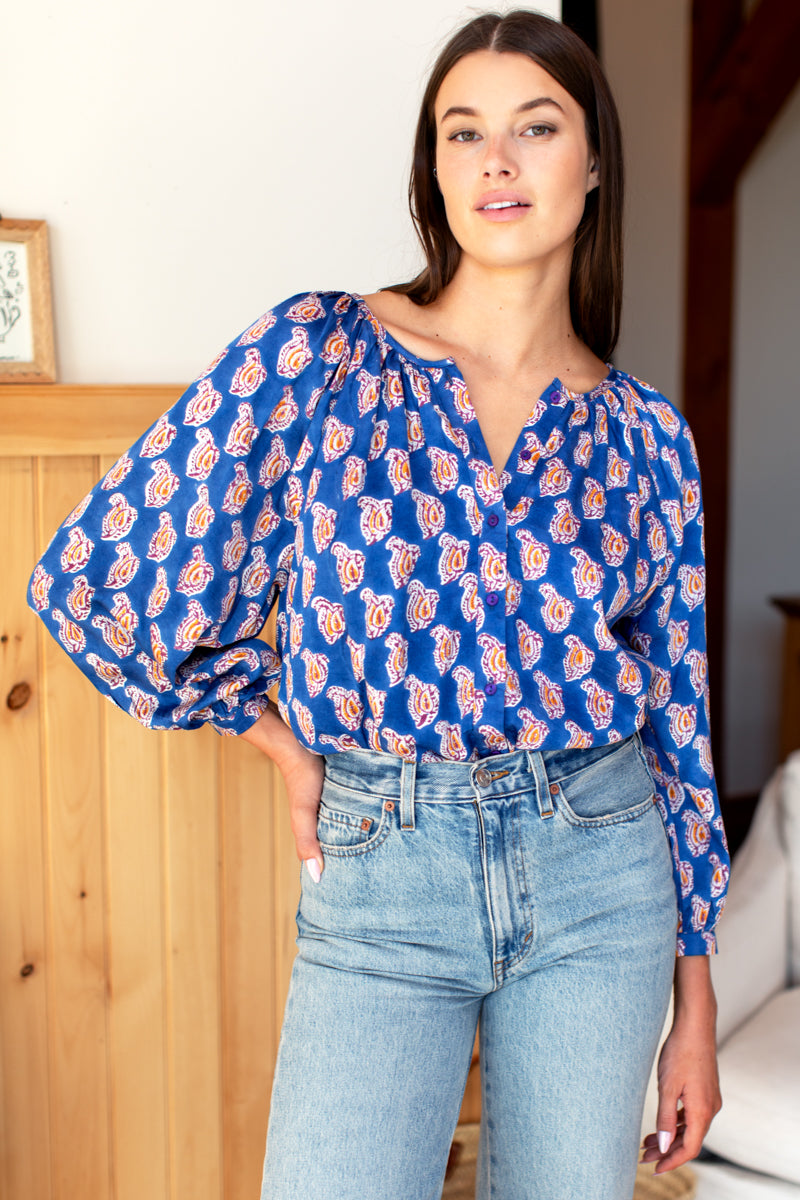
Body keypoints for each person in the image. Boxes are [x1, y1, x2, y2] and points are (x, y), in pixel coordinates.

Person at [28, 10, 727, 1199]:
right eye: (464, 134)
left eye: (534, 127)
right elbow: (96, 578)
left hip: (600, 877)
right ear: (435, 170)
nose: (495, 161)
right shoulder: (319, 356)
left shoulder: (644, 436)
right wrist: (277, 739)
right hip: (380, 871)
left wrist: (694, 1006)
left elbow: (678, 725)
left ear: (593, 160)